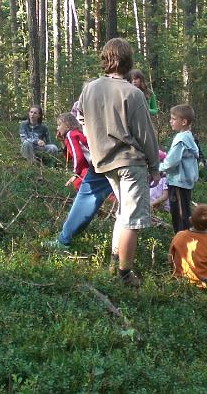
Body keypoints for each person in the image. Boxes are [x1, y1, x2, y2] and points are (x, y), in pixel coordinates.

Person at [78, 38, 160, 288]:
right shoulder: (132, 93)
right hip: (129, 162)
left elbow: (80, 116)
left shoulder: (89, 88)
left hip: (104, 163)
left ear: (105, 59)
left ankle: (115, 261)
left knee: (124, 214)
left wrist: (95, 140)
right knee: (132, 220)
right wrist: (155, 166)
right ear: (128, 61)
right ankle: (125, 274)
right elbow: (146, 134)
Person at [169, 204, 207, 289]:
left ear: (190, 220)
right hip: (205, 281)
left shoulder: (179, 236)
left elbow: (170, 257)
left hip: (180, 279)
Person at [159, 105, 200, 232]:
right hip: (183, 181)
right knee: (183, 210)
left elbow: (171, 161)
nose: (170, 121)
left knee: (180, 213)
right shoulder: (188, 136)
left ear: (184, 122)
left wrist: (158, 168)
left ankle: (182, 239)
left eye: (173, 119)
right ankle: (183, 237)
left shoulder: (181, 139)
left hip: (178, 182)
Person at [56, 112, 90, 191]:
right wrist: (62, 142)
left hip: (90, 167)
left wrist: (76, 174)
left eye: (59, 125)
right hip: (89, 167)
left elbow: (78, 157)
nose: (57, 128)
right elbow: (70, 157)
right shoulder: (73, 135)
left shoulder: (71, 135)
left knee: (77, 184)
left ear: (67, 125)